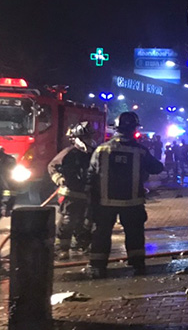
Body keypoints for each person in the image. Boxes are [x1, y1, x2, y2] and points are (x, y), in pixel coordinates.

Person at [83, 112, 164, 278]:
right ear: (134, 129)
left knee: (101, 234)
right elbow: (157, 168)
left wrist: (91, 200)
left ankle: (97, 267)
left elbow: (91, 175)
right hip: (132, 202)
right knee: (135, 234)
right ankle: (138, 265)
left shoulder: (101, 149)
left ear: (116, 129)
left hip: (105, 202)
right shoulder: (140, 151)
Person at [47, 122, 96, 260]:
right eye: (85, 137)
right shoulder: (69, 153)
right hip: (70, 194)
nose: (88, 140)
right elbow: (52, 166)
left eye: (89, 137)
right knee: (68, 221)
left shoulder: (93, 153)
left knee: (87, 222)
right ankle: (62, 249)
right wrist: (59, 178)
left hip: (87, 194)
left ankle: (82, 244)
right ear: (77, 138)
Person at [0, 147, 17, 217]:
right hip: (7, 183)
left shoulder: (9, 160)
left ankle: (6, 209)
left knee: (8, 193)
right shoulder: (10, 159)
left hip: (7, 183)